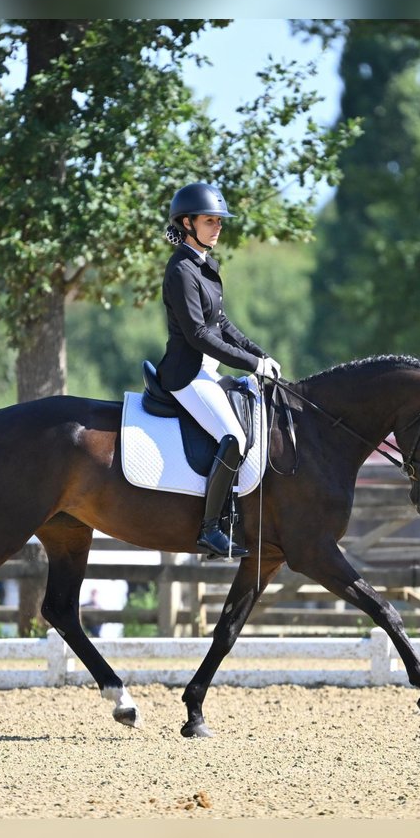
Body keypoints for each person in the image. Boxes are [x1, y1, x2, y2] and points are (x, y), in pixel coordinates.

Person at [155, 182, 281, 558]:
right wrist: (252, 364)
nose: (217, 227)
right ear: (188, 223)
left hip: (206, 371)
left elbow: (222, 324)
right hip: (186, 374)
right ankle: (210, 530)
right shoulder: (180, 270)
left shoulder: (206, 265)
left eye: (218, 221)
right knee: (234, 437)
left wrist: (261, 354)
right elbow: (198, 335)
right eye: (210, 221)